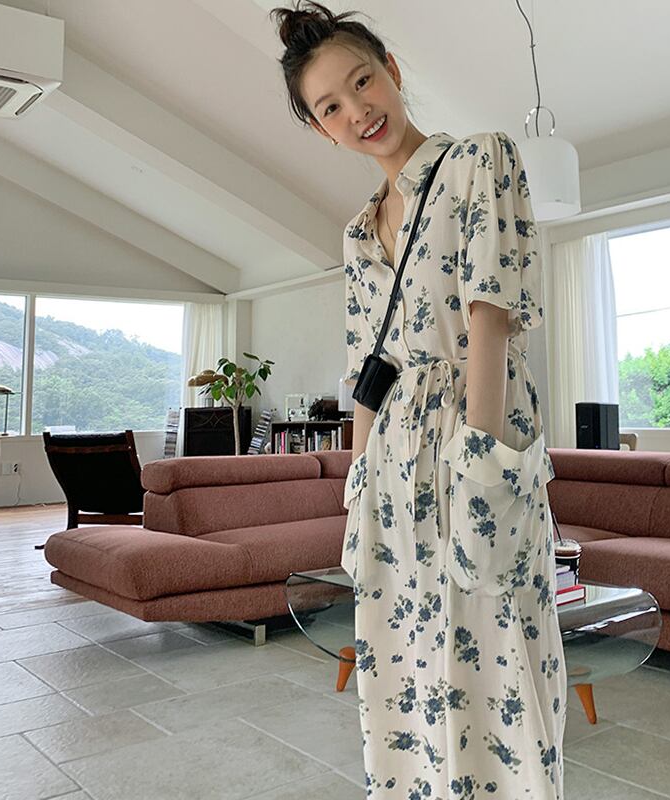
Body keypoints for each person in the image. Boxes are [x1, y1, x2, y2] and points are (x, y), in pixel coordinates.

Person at [270, 3, 567, 797]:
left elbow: (490, 318)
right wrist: (357, 481)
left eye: (363, 81)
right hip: (393, 466)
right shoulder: (357, 233)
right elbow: (369, 368)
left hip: (475, 432)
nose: (357, 111)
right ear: (321, 129)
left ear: (393, 71)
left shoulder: (480, 160)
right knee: (402, 668)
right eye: (331, 106)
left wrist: (482, 465)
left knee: (500, 656)